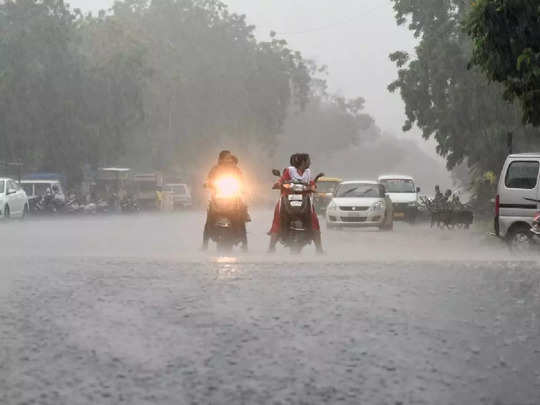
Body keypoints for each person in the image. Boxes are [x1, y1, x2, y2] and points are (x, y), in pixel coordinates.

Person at [268, 153, 323, 254]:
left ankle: (319, 248)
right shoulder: (289, 170)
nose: (310, 162)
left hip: (305, 198)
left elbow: (311, 183)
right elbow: (282, 180)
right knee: (278, 217)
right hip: (287, 197)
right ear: (303, 162)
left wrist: (313, 187)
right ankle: (271, 247)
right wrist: (279, 184)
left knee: (314, 218)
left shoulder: (308, 172)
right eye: (308, 160)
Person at [202, 150, 249, 251]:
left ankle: (244, 243)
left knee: (241, 216)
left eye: (229, 157)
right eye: (227, 157)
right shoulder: (215, 169)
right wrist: (207, 184)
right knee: (209, 217)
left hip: (233, 197)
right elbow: (209, 179)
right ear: (221, 158)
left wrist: (243, 187)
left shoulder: (235, 169)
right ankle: (204, 244)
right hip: (217, 198)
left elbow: (241, 180)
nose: (228, 159)